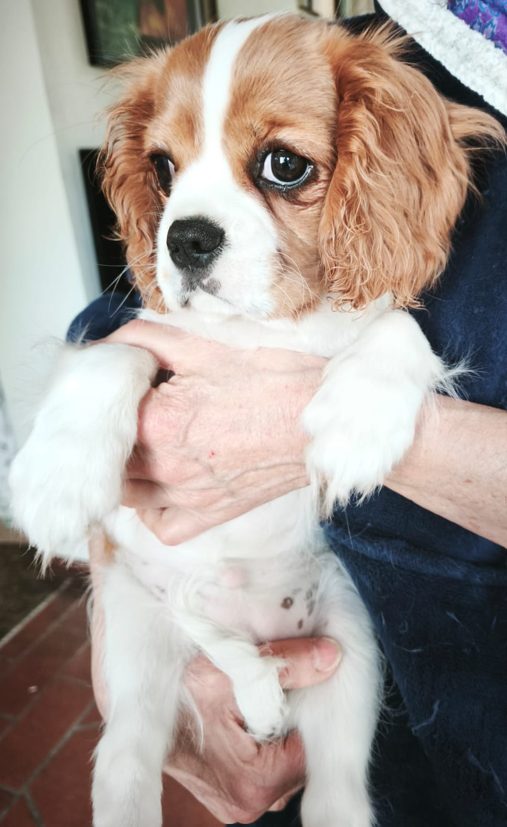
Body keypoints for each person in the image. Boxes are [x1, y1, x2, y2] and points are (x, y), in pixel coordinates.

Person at [70, 2, 507, 825]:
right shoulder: (392, 39)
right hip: (289, 701)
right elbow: (118, 333)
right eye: (167, 168)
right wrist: (126, 629)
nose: (185, 218)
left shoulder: (370, 92)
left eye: (281, 164)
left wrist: (362, 429)